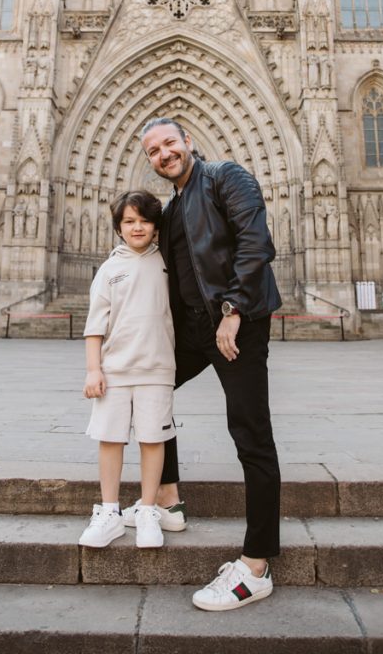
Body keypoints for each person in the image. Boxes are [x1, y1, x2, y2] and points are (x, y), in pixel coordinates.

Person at [125, 116, 282, 611]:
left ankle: (256, 564)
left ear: (188, 142)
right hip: (195, 331)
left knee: (250, 435)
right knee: (148, 387)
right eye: (154, 150)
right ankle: (167, 497)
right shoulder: (171, 210)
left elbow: (257, 246)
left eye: (170, 143)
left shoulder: (226, 178)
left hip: (236, 326)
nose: (164, 153)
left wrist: (233, 311)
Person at [79, 190, 176, 550]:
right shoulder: (108, 269)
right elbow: (94, 327)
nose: (137, 227)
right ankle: (108, 512)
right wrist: (93, 370)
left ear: (156, 226)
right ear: (119, 228)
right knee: (111, 437)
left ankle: (147, 510)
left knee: (153, 439)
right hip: (116, 370)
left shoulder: (167, 263)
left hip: (157, 369)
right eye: (129, 221)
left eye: (145, 221)